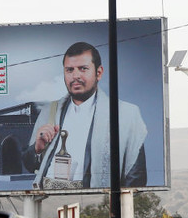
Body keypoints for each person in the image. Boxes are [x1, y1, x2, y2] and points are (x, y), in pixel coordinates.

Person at [21, 41, 147, 189]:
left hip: (95, 203)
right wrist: (37, 149)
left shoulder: (125, 114)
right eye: (69, 70)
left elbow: (136, 176)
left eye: (83, 69)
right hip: (49, 199)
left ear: (98, 73)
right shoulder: (50, 111)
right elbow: (30, 166)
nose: (75, 76)